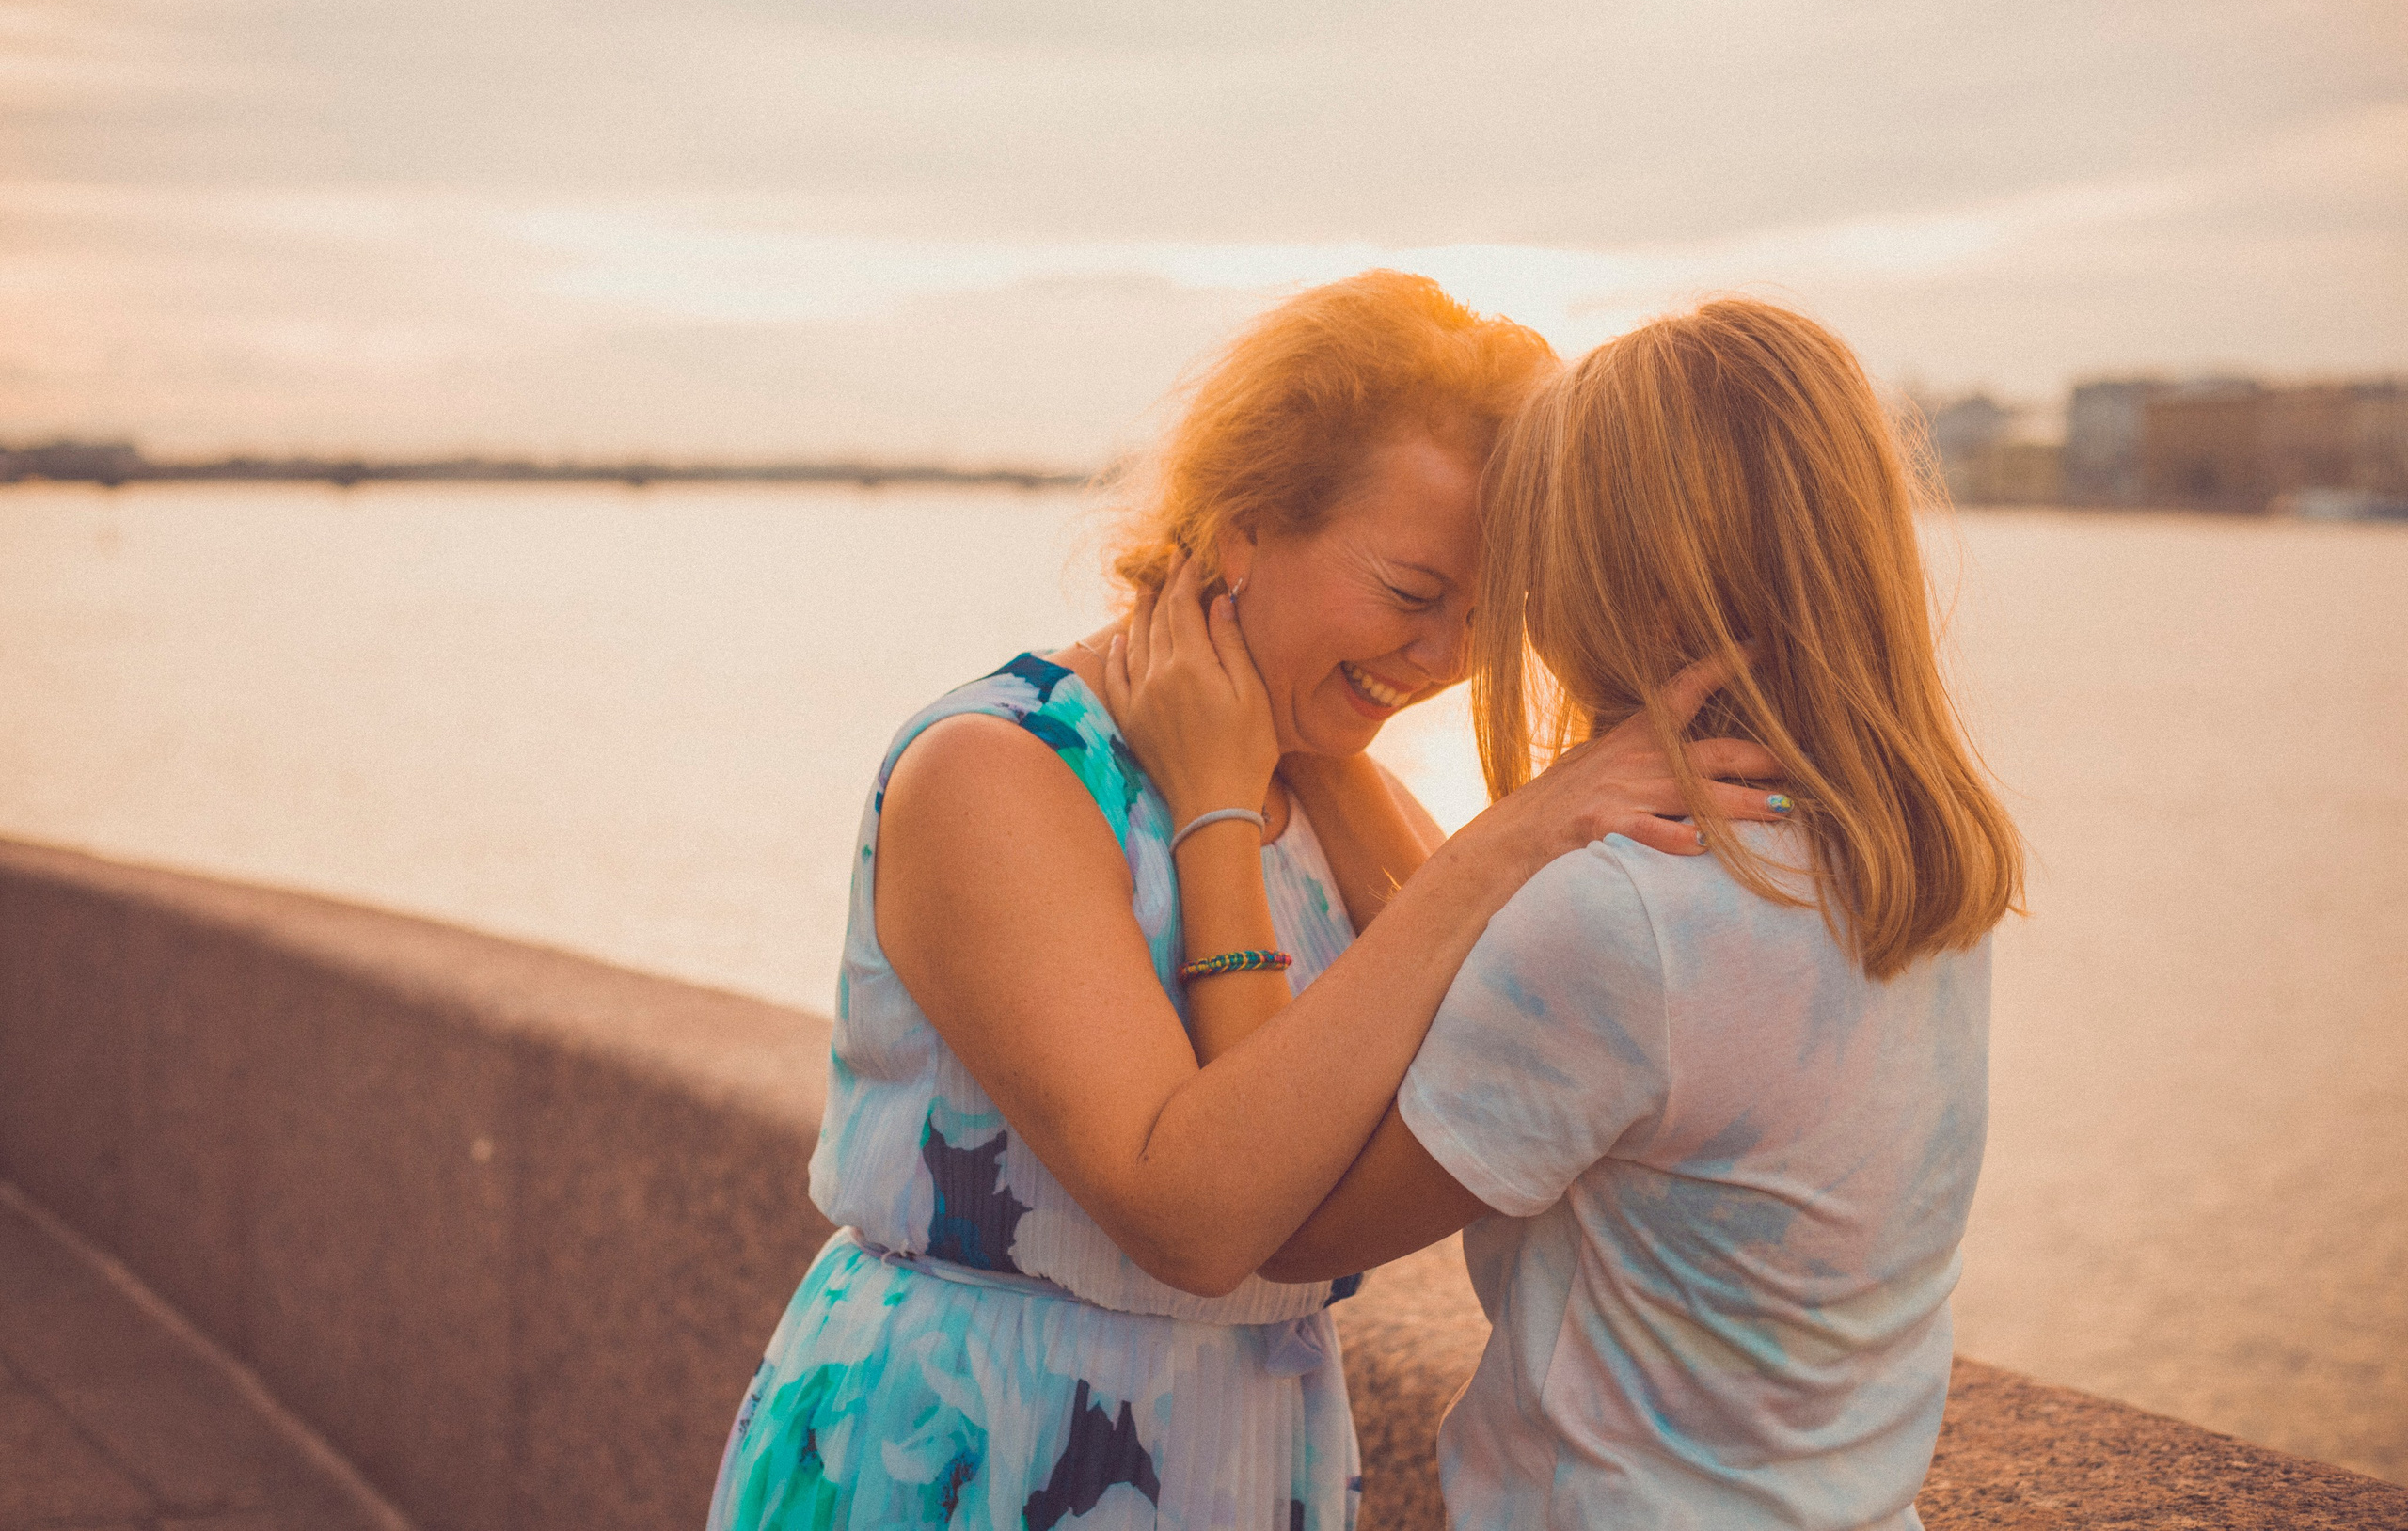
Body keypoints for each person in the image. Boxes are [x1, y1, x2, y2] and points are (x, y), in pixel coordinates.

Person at [704, 273, 1791, 1530]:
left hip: (1249, 1450)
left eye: (1492, 617)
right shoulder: (1002, 772)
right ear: (1242, 527)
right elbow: (1197, 1218)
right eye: (1410, 591)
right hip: (966, 1452)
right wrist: (1512, 841)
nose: (1442, 658)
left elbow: (1492, 1043)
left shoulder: (1328, 784)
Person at [1133, 297, 2025, 1528]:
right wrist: (1330, 737)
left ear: (1617, 585)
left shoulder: (1628, 923)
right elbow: (1481, 969)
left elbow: (1272, 1212)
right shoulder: (1910, 872)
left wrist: (1223, 793)